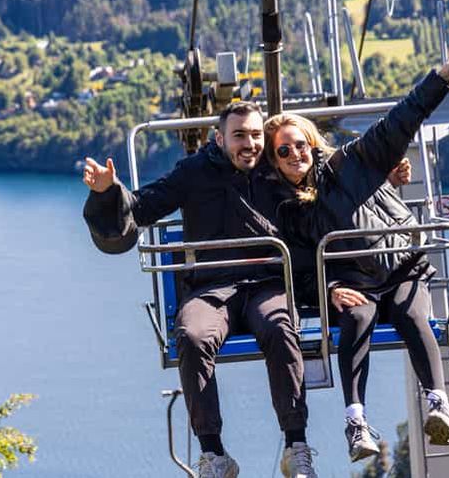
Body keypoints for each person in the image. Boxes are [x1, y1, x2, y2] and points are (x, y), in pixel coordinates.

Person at [82, 101, 317, 478]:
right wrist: (108, 193)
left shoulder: (276, 169)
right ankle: (214, 452)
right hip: (212, 288)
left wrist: (390, 172)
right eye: (239, 135)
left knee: (280, 327)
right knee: (191, 337)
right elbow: (142, 207)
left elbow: (332, 180)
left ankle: (296, 444)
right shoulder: (195, 173)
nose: (250, 144)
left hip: (265, 284)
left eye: (256, 135)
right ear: (219, 138)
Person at [263, 45, 449, 461]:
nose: (295, 155)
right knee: (355, 320)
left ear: (311, 141)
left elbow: (399, 122)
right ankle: (356, 421)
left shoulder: (353, 160)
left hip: (400, 266)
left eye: (299, 144)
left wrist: (440, 78)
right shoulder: (288, 210)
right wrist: (330, 289)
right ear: (275, 160)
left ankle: (438, 401)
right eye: (283, 151)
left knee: (413, 314)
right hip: (354, 282)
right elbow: (299, 270)